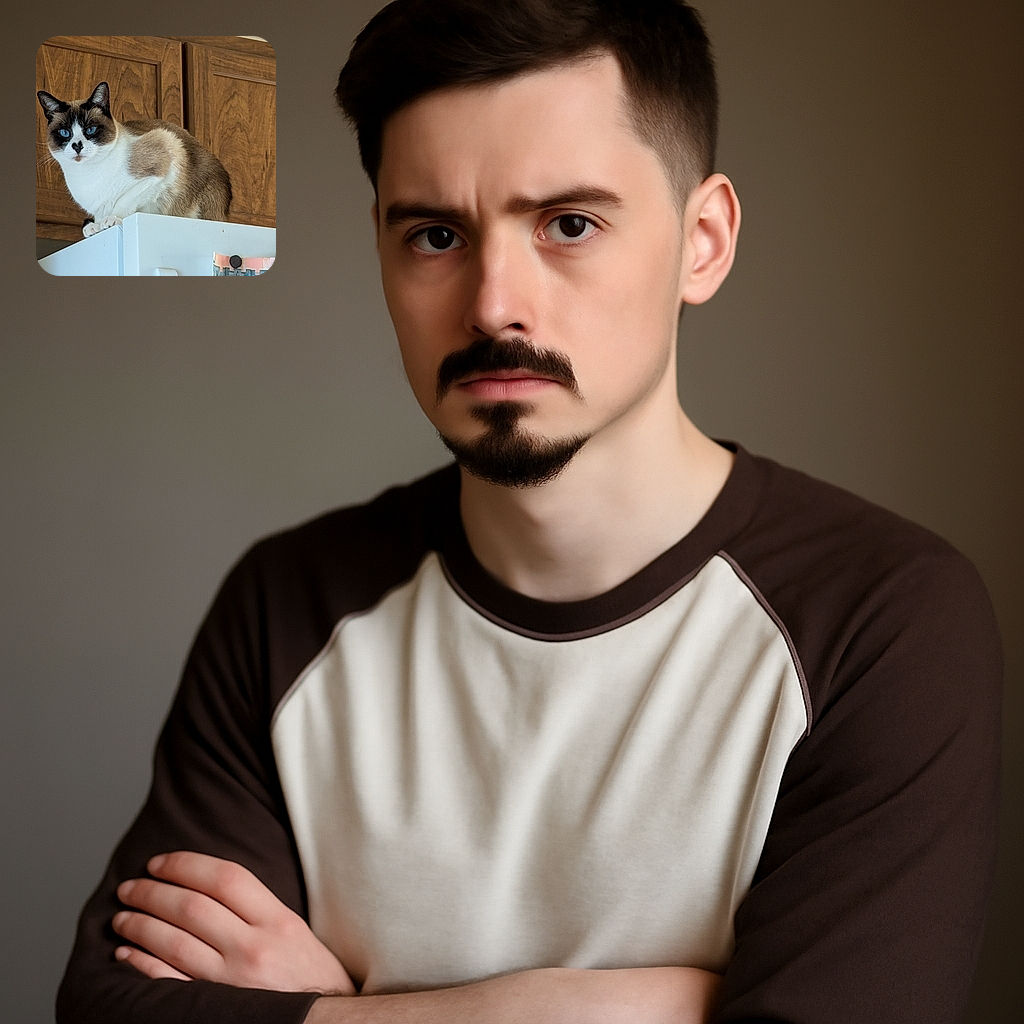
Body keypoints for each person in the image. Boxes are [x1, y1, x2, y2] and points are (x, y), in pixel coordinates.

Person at [56, 2, 1002, 1022]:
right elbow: (111, 1004)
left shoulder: (880, 619)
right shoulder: (285, 605)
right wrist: (635, 1006)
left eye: (568, 224)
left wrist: (331, 1010)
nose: (493, 303)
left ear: (703, 242)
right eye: (434, 234)